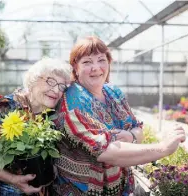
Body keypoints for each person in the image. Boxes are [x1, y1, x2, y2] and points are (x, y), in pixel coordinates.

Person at [52, 36, 186, 196]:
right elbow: (107, 153)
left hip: (121, 187)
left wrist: (131, 136)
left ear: (109, 62)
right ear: (75, 67)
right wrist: (163, 148)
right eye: (87, 62)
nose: (96, 67)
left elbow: (137, 128)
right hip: (81, 190)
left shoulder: (113, 92)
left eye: (101, 60)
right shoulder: (72, 102)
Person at [0, 57, 71, 196]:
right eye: (51, 81)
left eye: (61, 86)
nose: (56, 90)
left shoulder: (52, 116)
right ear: (33, 80)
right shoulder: (5, 107)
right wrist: (13, 179)